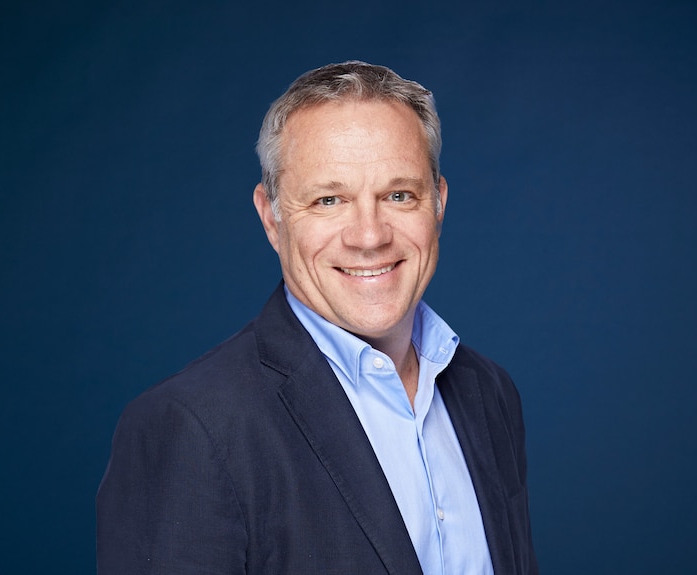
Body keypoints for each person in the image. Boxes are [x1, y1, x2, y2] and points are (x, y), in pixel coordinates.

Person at [97, 61, 538, 574]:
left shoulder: (489, 394)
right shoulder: (190, 429)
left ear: (437, 203)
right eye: (329, 200)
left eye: (399, 195)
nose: (370, 236)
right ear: (272, 218)